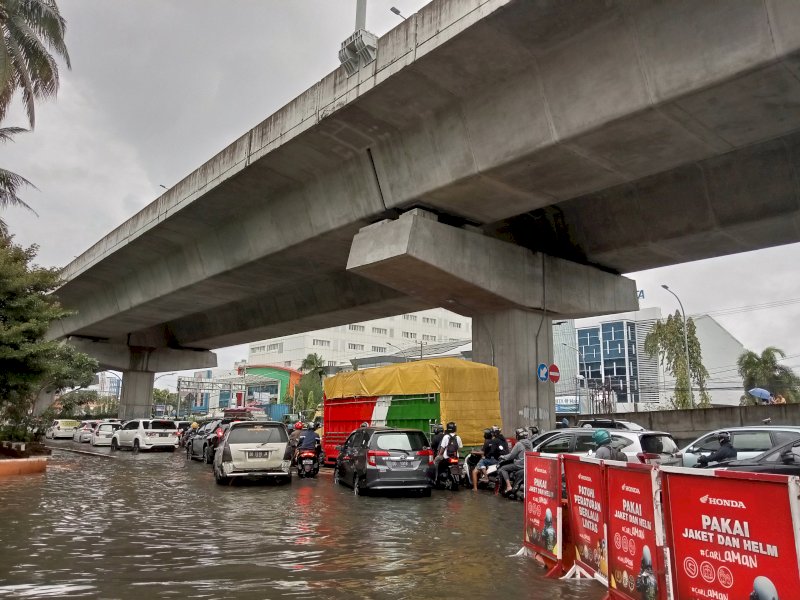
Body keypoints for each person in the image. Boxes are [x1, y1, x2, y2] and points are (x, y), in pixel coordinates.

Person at [498, 427, 534, 496]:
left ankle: (508, 486)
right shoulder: (530, 443)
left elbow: (511, 456)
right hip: (528, 464)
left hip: (519, 465)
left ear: (518, 436)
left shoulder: (519, 444)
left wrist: (503, 457)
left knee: (503, 469)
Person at [472, 426, 507, 490]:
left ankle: (475, 487)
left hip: (492, 460)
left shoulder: (488, 441)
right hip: (499, 460)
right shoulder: (500, 440)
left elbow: (484, 452)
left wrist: (473, 452)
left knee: (474, 471)